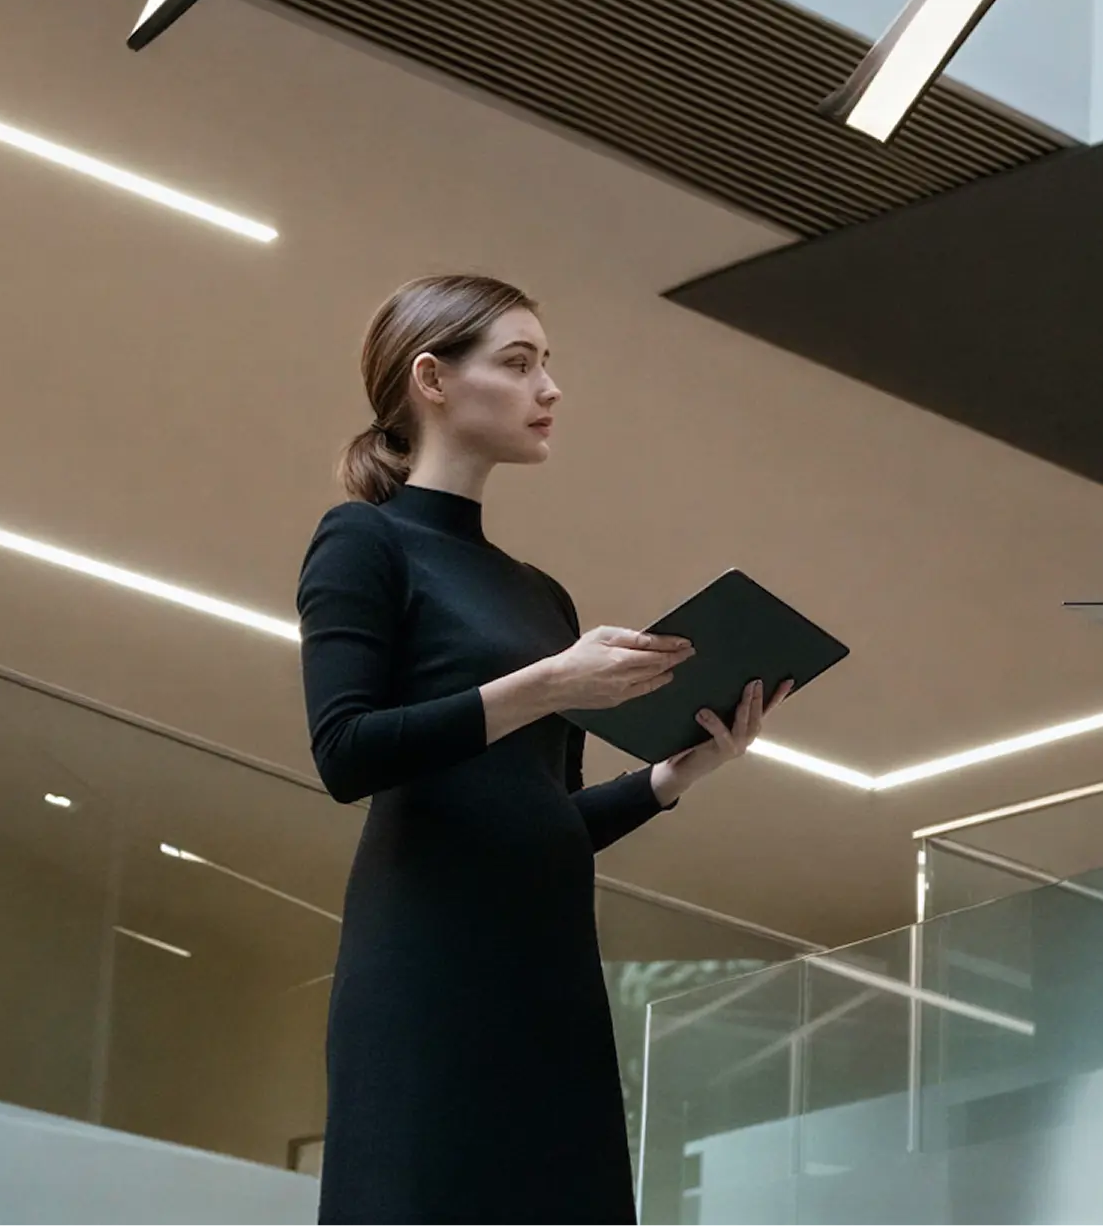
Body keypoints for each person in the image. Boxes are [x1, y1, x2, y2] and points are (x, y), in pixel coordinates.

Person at [300, 273, 788, 1226]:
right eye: (518, 364)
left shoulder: (541, 595)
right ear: (432, 379)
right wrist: (550, 685)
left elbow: (541, 817)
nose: (548, 389)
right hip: (425, 956)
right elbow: (344, 752)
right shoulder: (364, 541)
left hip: (545, 966)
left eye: (547, 366)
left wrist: (671, 777)